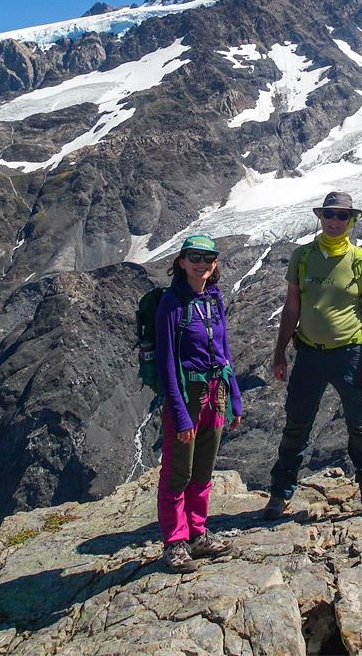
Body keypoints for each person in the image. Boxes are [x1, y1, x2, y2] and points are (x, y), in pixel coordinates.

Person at [265, 191, 362, 520]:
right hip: (308, 354)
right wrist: (279, 353)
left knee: (360, 425)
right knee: (297, 425)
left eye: (342, 216)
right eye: (329, 214)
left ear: (352, 220)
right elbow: (291, 308)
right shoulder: (303, 257)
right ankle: (280, 492)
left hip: (350, 353)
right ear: (321, 217)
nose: (335, 221)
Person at [155, 233, 244, 573]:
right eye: (194, 257)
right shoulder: (171, 304)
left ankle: (197, 533)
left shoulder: (214, 299)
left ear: (215, 263)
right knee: (178, 472)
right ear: (181, 262)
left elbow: (224, 352)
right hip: (187, 396)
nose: (202, 263)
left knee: (203, 470)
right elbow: (166, 361)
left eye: (208, 258)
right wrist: (179, 413)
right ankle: (175, 543)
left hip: (216, 394)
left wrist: (234, 397)